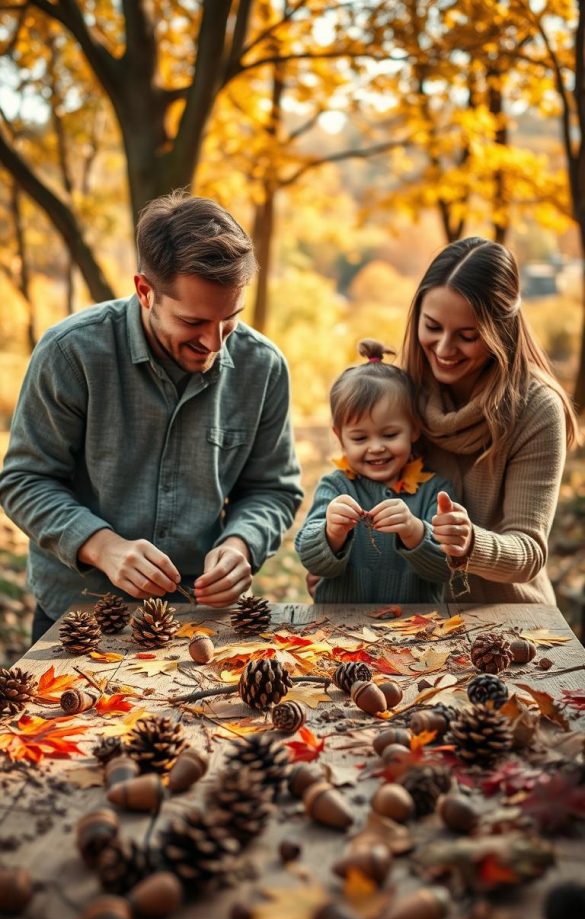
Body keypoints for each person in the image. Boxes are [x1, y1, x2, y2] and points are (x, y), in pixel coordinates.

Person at [0, 191, 303, 639]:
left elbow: (272, 490)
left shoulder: (264, 367)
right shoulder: (71, 353)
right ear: (146, 291)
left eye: (230, 319)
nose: (214, 343)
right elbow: (25, 481)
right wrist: (101, 546)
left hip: (198, 621)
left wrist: (242, 544)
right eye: (193, 322)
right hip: (79, 615)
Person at [403, 235, 580, 603]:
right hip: (412, 621)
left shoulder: (536, 409)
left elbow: (529, 551)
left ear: (500, 331)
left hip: (510, 623)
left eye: (467, 336)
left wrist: (472, 543)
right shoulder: (401, 391)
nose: (444, 349)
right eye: (432, 327)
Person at [295, 340, 455, 602]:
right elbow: (311, 561)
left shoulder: (435, 491)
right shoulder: (335, 487)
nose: (377, 448)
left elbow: (446, 568)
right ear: (340, 437)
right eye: (360, 438)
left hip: (416, 632)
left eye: (390, 434)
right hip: (338, 630)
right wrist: (332, 533)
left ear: (414, 429)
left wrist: (415, 531)